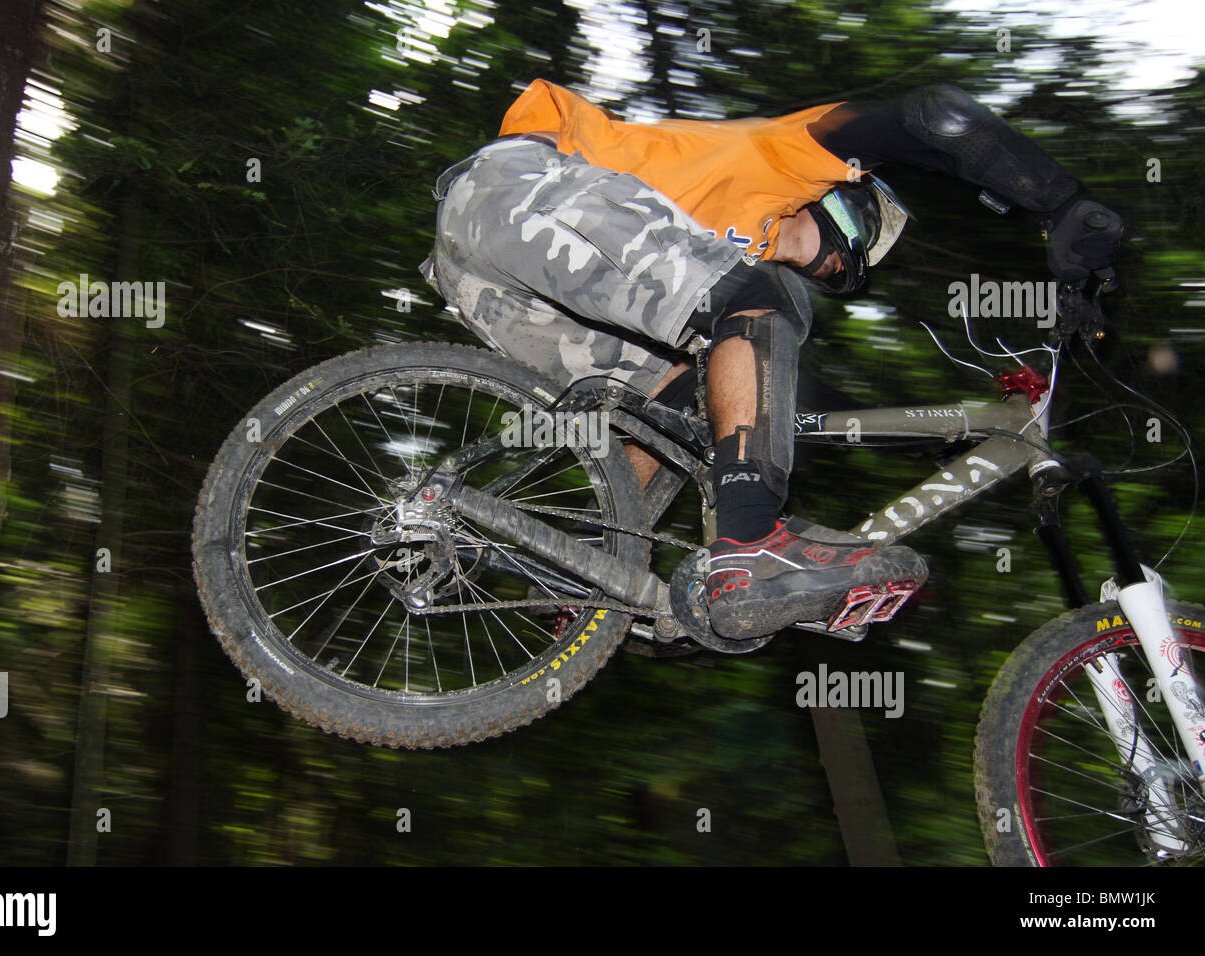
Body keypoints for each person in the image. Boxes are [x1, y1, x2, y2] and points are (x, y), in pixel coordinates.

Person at [419, 79, 1123, 641]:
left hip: (489, 283)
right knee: (762, 298)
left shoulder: (721, 251)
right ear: (836, 202)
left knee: (687, 409)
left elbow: (762, 408)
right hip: (524, 186)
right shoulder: (780, 160)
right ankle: (751, 545)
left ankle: (589, 573)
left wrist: (937, 433)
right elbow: (929, 118)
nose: (838, 268)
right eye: (850, 247)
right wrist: (1061, 202)